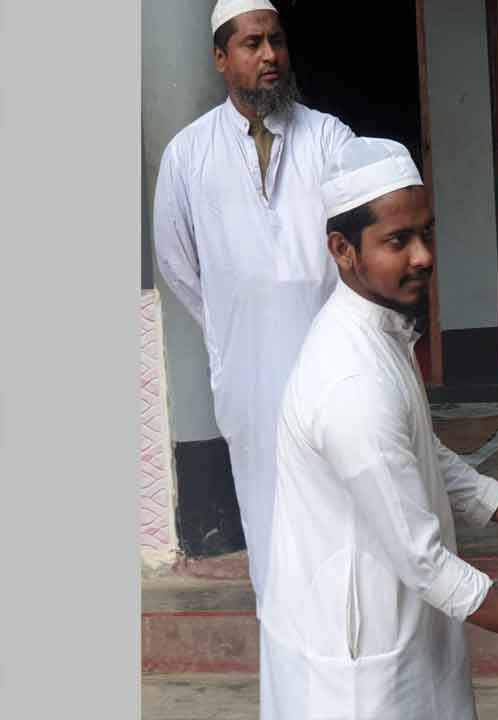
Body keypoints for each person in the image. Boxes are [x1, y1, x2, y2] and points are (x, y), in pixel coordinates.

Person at [258, 137, 498, 720]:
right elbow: (423, 561)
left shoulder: (379, 331)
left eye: (426, 233)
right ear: (341, 249)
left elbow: (420, 451)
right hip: (357, 667)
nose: (423, 256)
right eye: (397, 241)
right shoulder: (350, 379)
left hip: (402, 624)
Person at [153, 0, 355, 596]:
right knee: (270, 519)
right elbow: (176, 263)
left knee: (344, 516)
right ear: (221, 58)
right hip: (247, 372)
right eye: (251, 44)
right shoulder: (187, 154)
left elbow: (360, 247)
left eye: (277, 41)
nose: (270, 56)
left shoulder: (329, 137)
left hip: (332, 361)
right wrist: (232, 325)